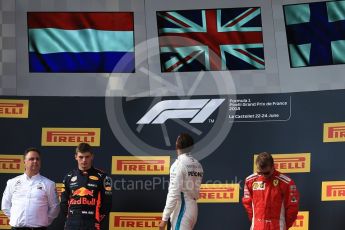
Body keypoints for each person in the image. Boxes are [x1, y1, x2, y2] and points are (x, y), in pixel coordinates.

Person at [1, 147, 60, 229]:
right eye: (31, 159)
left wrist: (44, 221)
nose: (35, 161)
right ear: (24, 162)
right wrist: (15, 219)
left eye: (37, 159)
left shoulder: (49, 184)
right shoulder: (12, 182)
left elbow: (55, 207)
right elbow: (5, 205)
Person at [61, 143, 112, 230]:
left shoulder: (103, 177)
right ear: (76, 157)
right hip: (72, 225)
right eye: (81, 157)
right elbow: (63, 203)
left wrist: (96, 220)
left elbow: (107, 204)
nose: (84, 160)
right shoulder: (68, 177)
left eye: (87, 157)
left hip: (92, 224)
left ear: (92, 156)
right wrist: (72, 218)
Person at [242, 152, 299, 230]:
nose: (263, 175)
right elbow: (247, 204)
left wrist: (284, 226)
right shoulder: (250, 181)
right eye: (260, 172)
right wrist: (256, 221)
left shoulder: (286, 182)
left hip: (277, 227)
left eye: (266, 173)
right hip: (257, 226)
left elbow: (292, 208)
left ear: (273, 166)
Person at [159, 133, 204, 230]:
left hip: (182, 209)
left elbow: (173, 193)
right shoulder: (198, 164)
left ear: (177, 145)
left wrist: (164, 219)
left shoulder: (178, 164)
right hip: (193, 208)